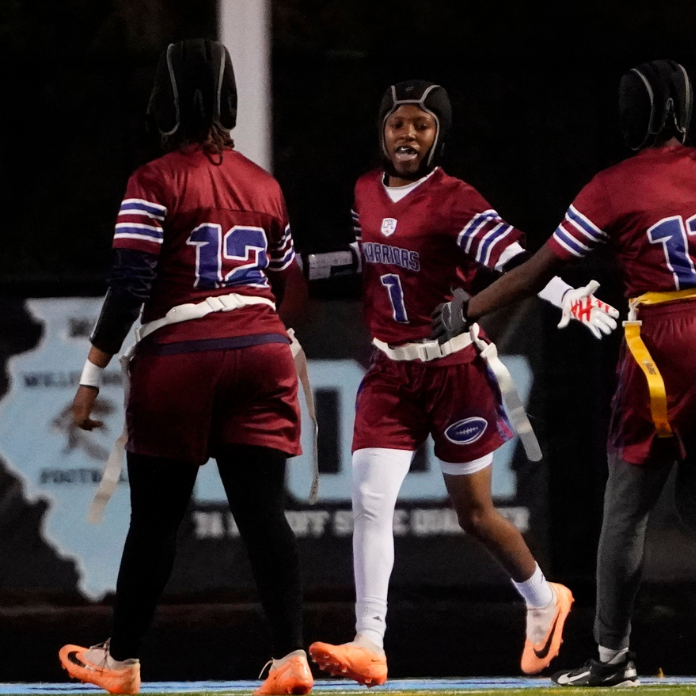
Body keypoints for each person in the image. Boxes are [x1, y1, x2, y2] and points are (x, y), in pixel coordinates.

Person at [431, 60, 696, 686]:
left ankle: (613, 657)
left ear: (628, 115)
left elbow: (539, 269)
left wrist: (470, 307)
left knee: (625, 510)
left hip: (666, 341)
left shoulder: (614, 186)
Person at [305, 80, 621, 687]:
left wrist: (566, 297)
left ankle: (541, 597)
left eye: (421, 125)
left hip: (453, 371)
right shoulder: (365, 190)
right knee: (370, 502)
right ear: (381, 130)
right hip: (391, 371)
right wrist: (296, 267)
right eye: (397, 122)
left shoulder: (455, 200)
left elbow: (515, 261)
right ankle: (371, 641)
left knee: (474, 513)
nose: (407, 134)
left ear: (438, 136)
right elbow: (364, 255)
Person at [57, 40, 313, 696]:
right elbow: (294, 286)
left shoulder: (154, 180)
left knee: (155, 521)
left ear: (164, 103)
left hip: (184, 357)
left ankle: (122, 660)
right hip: (263, 352)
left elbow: (133, 281)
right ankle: (290, 655)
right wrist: (260, 336)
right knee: (263, 515)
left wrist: (91, 375)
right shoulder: (265, 183)